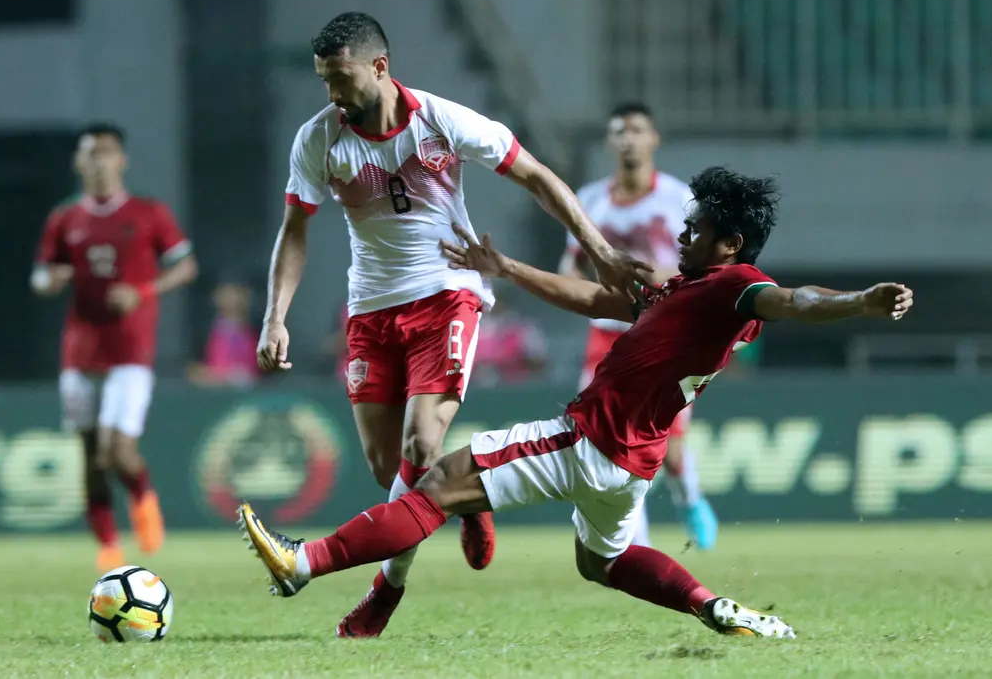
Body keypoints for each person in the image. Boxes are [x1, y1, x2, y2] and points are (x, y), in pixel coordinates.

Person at [239, 166, 914, 639]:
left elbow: (794, 300)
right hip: (631, 465)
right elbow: (596, 299)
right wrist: (504, 269)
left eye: (696, 229)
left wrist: (858, 301)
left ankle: (305, 564)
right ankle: (709, 605)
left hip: (588, 440)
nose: (681, 237)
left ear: (731, 244)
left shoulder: (734, 284)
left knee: (436, 478)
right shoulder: (683, 291)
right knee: (602, 562)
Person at [256, 12, 648, 638]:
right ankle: (468, 498)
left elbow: (538, 178)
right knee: (392, 466)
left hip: (447, 294)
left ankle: (383, 594)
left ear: (379, 67)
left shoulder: (443, 120)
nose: (332, 94)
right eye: (324, 81)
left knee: (417, 449)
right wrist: (275, 316)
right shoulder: (319, 138)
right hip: (370, 310)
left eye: (341, 79)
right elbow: (295, 230)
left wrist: (599, 250)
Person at [32, 123, 198, 572]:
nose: (98, 162)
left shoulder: (147, 213)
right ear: (78, 163)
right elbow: (41, 275)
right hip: (80, 349)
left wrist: (142, 292)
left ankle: (142, 495)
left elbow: (185, 267)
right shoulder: (65, 218)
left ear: (121, 160)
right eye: (90, 154)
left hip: (130, 348)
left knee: (115, 450)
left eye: (106, 153)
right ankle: (107, 545)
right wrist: (51, 280)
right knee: (89, 455)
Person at [559, 102, 717, 549]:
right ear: (611, 141)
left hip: (668, 334)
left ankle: (689, 500)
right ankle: (636, 544)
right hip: (607, 335)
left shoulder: (679, 198)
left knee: (668, 443)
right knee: (606, 440)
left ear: (654, 138)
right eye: (620, 130)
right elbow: (569, 266)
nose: (629, 137)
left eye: (637, 129)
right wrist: (590, 294)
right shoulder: (589, 200)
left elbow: (704, 264)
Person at [188, 280, 260, 387]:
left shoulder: (253, 330)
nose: (229, 300)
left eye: (234, 295)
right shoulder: (206, 329)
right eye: (225, 295)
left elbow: (252, 368)